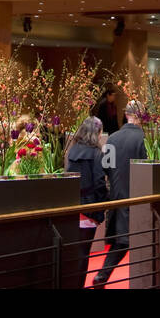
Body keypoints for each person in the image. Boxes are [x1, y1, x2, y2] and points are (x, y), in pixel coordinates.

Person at [92, 102, 147, 288]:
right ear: (141, 116)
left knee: (122, 241)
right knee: (137, 239)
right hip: (139, 196)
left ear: (126, 114)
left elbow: (105, 166)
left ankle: (102, 275)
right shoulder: (144, 138)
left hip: (117, 195)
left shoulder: (113, 138)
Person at [66, 116, 109, 287]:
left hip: (74, 207)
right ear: (96, 133)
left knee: (76, 253)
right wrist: (102, 205)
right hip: (89, 209)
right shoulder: (96, 153)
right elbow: (99, 182)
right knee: (83, 255)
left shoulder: (73, 150)